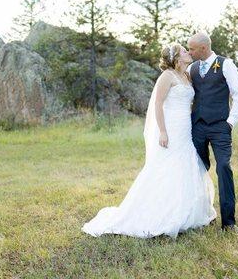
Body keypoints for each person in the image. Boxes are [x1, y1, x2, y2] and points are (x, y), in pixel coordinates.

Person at [81, 44, 217, 238]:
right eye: (185, 51)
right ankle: (158, 212)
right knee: (165, 166)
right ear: (177, 58)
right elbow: (158, 104)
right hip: (170, 127)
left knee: (185, 164)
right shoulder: (167, 76)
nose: (189, 52)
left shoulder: (186, 76)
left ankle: (185, 210)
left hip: (185, 129)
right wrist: (162, 131)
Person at [186, 32, 238, 231]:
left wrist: (230, 122)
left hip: (221, 126)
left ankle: (228, 223)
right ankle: (201, 217)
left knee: (223, 168)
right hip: (198, 127)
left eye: (192, 48)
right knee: (198, 170)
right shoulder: (192, 68)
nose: (189, 52)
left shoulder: (225, 64)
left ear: (203, 48)